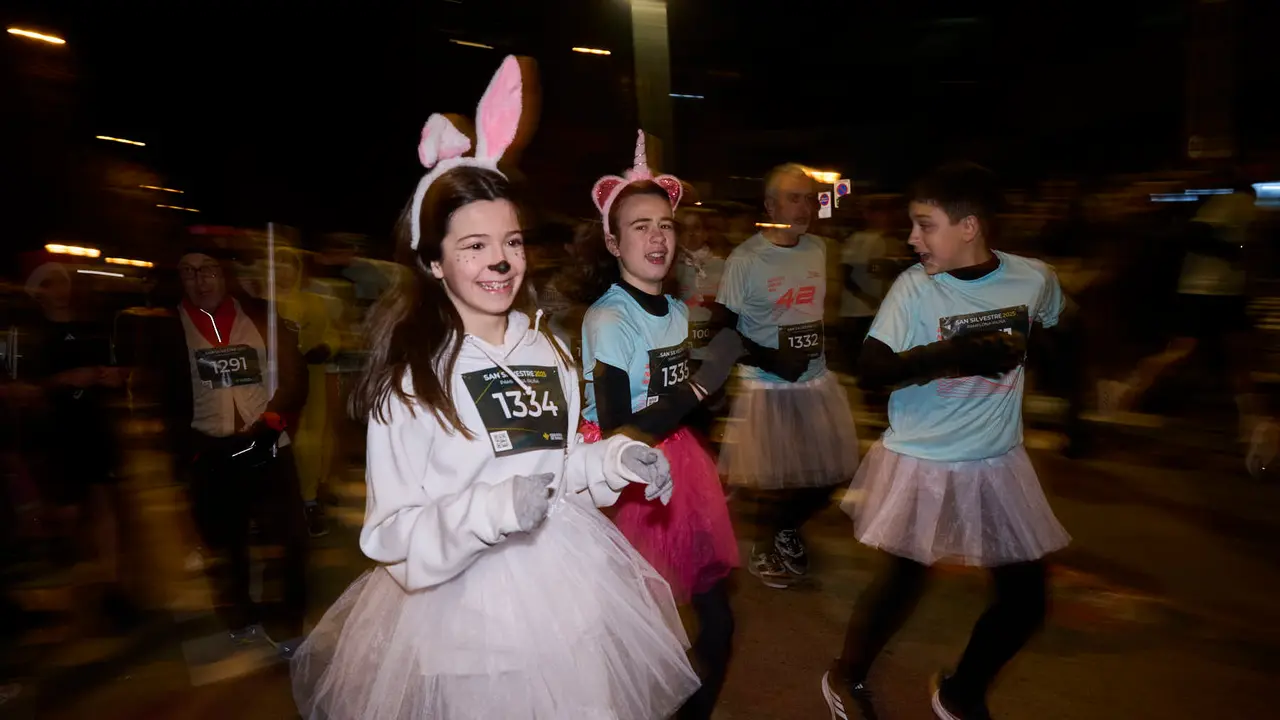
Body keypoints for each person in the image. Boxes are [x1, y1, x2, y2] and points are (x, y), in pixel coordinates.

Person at [290, 56, 698, 720]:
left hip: (569, 602)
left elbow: (557, 470)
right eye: (474, 246)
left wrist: (613, 459)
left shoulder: (545, 349)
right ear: (432, 261)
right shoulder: (414, 379)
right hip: (473, 635)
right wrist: (493, 509)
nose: (501, 261)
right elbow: (392, 534)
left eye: (511, 241)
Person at [822, 163, 1070, 720]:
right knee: (904, 583)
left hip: (996, 461)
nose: (913, 238)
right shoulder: (915, 287)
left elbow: (1056, 327)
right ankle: (846, 675)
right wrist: (954, 354)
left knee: (1026, 602)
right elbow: (872, 369)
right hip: (924, 459)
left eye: (925, 225)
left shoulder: (1034, 278)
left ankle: (961, 693)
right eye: (913, 225)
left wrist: (1054, 378)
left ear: (969, 227)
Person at [578, 131, 742, 719]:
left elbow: (676, 396)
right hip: (619, 482)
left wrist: (718, 375)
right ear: (613, 241)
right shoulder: (608, 319)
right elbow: (620, 431)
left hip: (678, 465)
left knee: (716, 626)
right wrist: (703, 382)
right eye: (640, 226)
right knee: (631, 641)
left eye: (665, 225)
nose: (656, 237)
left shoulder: (673, 310)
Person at [153, 239, 311, 652]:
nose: (200, 280)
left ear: (224, 273)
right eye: (189, 271)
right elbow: (163, 397)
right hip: (212, 451)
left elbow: (294, 374)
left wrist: (273, 420)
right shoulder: (167, 329)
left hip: (268, 442)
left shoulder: (259, 315)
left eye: (208, 269)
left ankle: (288, 621)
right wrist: (185, 453)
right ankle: (240, 614)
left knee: (289, 539)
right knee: (227, 545)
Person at [711, 163, 861, 587]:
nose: (805, 208)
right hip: (767, 385)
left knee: (834, 472)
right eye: (794, 198)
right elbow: (723, 331)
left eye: (810, 199)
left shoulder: (820, 249)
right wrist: (772, 359)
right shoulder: (745, 259)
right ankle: (765, 544)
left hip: (816, 380)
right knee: (776, 478)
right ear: (771, 205)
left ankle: (786, 527)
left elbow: (817, 310)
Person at [275, 246, 342, 536]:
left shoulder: (313, 302)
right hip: (274, 385)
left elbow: (331, 333)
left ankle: (309, 501)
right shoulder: (261, 304)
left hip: (310, 384)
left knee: (309, 443)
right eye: (277, 264)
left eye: (289, 264)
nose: (283, 270)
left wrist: (326, 347)